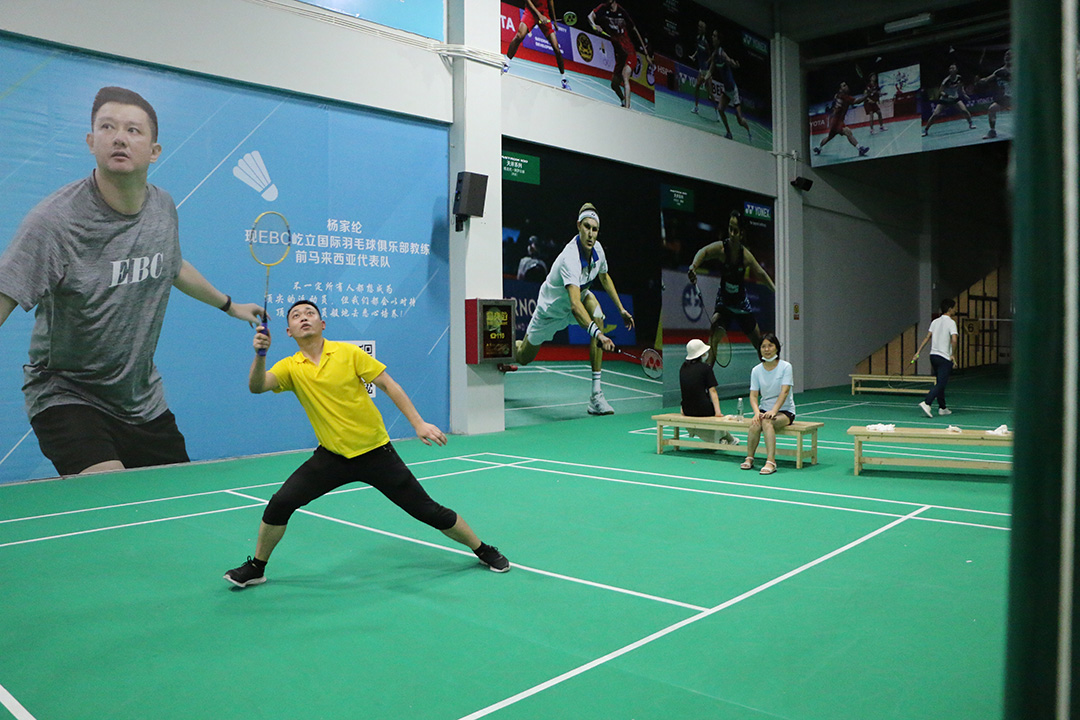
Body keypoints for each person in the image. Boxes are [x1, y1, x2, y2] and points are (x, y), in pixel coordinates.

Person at [0, 86, 263, 477]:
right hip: (68, 394)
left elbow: (172, 265)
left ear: (154, 151)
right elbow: (5, 293)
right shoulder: (54, 222)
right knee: (109, 491)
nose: (119, 137)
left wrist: (229, 305)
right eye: (107, 127)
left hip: (142, 401)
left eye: (133, 130)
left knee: (178, 500)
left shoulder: (162, 207)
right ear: (91, 141)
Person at [223, 300, 509, 588]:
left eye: (310, 313)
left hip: (376, 454)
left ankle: (482, 549)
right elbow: (257, 386)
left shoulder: (348, 353)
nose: (304, 318)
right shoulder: (290, 366)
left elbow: (388, 384)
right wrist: (260, 354)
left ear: (323, 324)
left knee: (428, 511)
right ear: (288, 331)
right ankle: (257, 567)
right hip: (331, 457)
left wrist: (418, 423)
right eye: (296, 316)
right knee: (280, 504)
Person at [514, 203, 635, 416]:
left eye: (595, 229)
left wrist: (621, 309)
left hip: (577, 300)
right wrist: (599, 335)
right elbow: (575, 305)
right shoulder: (570, 257)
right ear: (579, 226)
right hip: (551, 311)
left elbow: (604, 277)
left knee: (597, 314)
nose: (590, 234)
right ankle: (506, 348)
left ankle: (596, 397)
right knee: (524, 356)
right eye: (586, 227)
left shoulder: (598, 250)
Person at [686, 210, 775, 363]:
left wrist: (776, 291)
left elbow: (761, 274)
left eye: (736, 230)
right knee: (713, 337)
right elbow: (703, 252)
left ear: (741, 233)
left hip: (741, 304)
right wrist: (693, 266)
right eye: (730, 229)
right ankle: (707, 375)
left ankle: (769, 371)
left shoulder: (745, 256)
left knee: (758, 343)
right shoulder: (722, 249)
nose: (732, 233)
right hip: (724, 303)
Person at [741, 333, 795, 476]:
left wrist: (774, 411)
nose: (767, 349)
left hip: (785, 412)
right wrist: (756, 412)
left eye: (770, 345)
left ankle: (771, 461)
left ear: (776, 348)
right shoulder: (756, 370)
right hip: (764, 410)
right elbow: (753, 395)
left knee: (766, 422)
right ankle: (749, 458)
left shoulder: (786, 367)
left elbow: (784, 392)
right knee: (755, 423)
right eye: (763, 346)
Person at [588, 0, 651, 110]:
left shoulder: (622, 12)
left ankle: (627, 108)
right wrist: (594, 25)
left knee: (625, 75)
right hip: (620, 55)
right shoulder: (603, 8)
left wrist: (646, 53)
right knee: (614, 84)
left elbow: (635, 30)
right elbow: (590, 16)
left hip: (629, 51)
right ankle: (623, 100)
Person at [679, 338, 738, 447]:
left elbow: (685, 389)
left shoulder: (683, 367)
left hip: (687, 410)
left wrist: (683, 408)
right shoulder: (706, 368)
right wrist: (718, 413)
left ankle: (729, 440)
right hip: (703, 410)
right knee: (717, 418)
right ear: (702, 354)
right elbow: (713, 391)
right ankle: (723, 440)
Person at [504, 0, 571, 91]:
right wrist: (539, 15)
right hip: (531, 12)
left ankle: (563, 79)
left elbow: (551, 3)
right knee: (519, 35)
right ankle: (506, 63)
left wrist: (554, 21)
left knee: (556, 48)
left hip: (544, 14)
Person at [912, 298, 959, 417]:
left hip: (933, 356)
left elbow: (927, 337)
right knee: (941, 383)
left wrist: (918, 352)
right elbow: (954, 340)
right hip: (944, 358)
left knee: (940, 381)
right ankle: (927, 402)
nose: (955, 310)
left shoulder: (935, 322)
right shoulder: (951, 323)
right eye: (954, 308)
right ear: (950, 309)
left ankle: (942, 408)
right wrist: (953, 354)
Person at [707, 30, 752, 142]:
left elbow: (730, 61)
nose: (712, 37)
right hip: (727, 91)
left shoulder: (722, 54)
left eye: (714, 36)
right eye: (712, 35)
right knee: (720, 109)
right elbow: (710, 70)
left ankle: (748, 130)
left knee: (740, 120)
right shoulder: (714, 55)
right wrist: (706, 77)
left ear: (719, 40)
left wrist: (735, 65)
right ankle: (729, 133)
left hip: (733, 91)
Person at [812, 81, 869, 158]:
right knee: (848, 132)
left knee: (829, 137)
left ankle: (819, 148)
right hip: (836, 121)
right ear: (840, 89)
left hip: (834, 120)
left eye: (846, 85)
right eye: (844, 86)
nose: (846, 86)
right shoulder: (845, 97)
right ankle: (860, 148)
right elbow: (857, 101)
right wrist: (867, 95)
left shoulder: (837, 95)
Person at [922, 64, 976, 136]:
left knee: (964, 110)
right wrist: (948, 96)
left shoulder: (959, 78)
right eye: (950, 68)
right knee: (935, 114)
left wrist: (964, 94)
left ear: (956, 70)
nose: (951, 69)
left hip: (955, 99)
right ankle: (926, 130)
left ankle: (971, 124)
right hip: (944, 100)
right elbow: (940, 91)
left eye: (953, 68)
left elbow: (960, 87)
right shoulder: (946, 80)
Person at [975, 49, 1012, 140]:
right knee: (992, 109)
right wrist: (979, 81)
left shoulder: (1019, 69)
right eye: (1006, 55)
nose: (1007, 56)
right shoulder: (999, 71)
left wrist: (1008, 77)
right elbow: (987, 80)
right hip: (1006, 98)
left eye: (1010, 55)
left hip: (1019, 96)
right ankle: (992, 131)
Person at [689, 21, 713, 115]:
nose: (699, 28)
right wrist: (693, 56)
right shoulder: (697, 38)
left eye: (701, 27)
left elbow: (710, 56)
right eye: (698, 26)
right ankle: (696, 107)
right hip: (701, 70)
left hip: (706, 71)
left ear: (704, 30)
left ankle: (717, 111)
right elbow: (698, 49)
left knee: (710, 94)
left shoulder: (706, 43)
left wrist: (708, 68)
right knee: (697, 87)